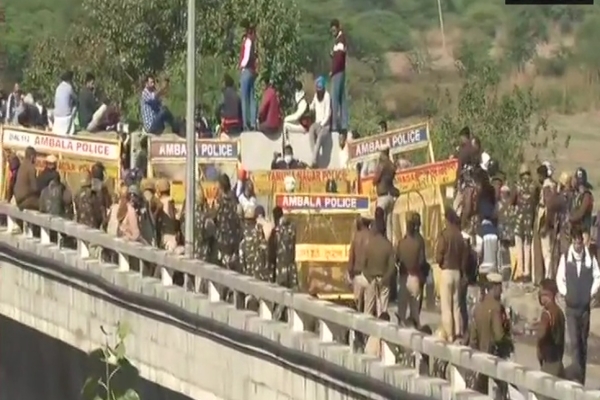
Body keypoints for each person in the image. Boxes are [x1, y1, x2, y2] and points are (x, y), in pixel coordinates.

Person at [555, 229, 600, 384]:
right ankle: (576, 378)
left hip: (585, 309)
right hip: (571, 308)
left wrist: (591, 292)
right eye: (574, 242)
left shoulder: (590, 258)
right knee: (574, 343)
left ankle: (582, 377)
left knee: (583, 342)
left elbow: (597, 276)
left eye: (579, 242)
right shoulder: (566, 257)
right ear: (572, 242)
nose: (577, 245)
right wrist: (566, 293)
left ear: (583, 241)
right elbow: (560, 278)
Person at [468, 272, 513, 396]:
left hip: (480, 358)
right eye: (500, 287)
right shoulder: (496, 308)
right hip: (494, 359)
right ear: (495, 288)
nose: (502, 291)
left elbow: (473, 337)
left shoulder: (478, 307)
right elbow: (499, 336)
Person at [436, 208, 469, 342]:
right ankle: (458, 332)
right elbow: (464, 255)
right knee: (456, 305)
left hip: (446, 271)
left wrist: (440, 261)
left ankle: (449, 334)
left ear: (446, 219)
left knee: (446, 306)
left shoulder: (444, 235)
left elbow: (438, 256)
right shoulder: (459, 235)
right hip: (457, 272)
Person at [358, 207, 396, 317]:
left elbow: (363, 264)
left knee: (368, 308)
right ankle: (382, 331)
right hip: (383, 279)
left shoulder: (369, 244)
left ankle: (367, 332)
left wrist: (370, 278)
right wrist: (384, 279)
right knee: (383, 309)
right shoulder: (388, 245)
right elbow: (392, 266)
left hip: (370, 278)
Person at [396, 212, 427, 326]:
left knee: (402, 311)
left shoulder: (401, 243)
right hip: (415, 277)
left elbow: (397, 259)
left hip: (404, 277)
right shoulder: (419, 242)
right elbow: (422, 261)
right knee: (415, 312)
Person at [536, 278, 565, 378]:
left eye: (542, 294)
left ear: (549, 295)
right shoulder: (559, 312)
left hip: (549, 365)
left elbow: (541, 334)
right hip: (558, 361)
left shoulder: (547, 314)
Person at [513, 163, 536, 283]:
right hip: (529, 218)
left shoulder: (517, 185)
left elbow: (512, 200)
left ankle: (520, 271)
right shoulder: (534, 186)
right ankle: (528, 272)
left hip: (519, 219)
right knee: (528, 245)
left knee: (519, 245)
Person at [215, 174, 242, 271]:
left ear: (221, 187)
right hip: (233, 244)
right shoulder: (235, 201)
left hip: (224, 244)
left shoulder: (223, 202)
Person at [536, 164, 558, 280]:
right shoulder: (553, 184)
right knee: (550, 250)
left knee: (547, 251)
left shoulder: (546, 187)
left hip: (546, 218)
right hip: (552, 219)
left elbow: (549, 206)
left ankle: (548, 277)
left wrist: (545, 224)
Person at [347, 213, 372, 312]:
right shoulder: (371, 236)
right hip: (368, 275)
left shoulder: (355, 237)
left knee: (357, 307)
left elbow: (351, 256)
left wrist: (350, 272)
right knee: (368, 308)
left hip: (357, 275)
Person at [373, 144, 397, 243]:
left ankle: (381, 245)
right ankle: (390, 246)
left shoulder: (381, 165)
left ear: (383, 153)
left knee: (380, 223)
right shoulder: (392, 165)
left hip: (383, 197)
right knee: (389, 225)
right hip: (391, 196)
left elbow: (375, 180)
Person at [307, 76, 332, 167]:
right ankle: (315, 158)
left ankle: (314, 161)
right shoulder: (316, 95)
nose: (319, 91)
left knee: (319, 138)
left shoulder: (327, 96)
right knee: (311, 130)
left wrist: (322, 124)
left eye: (320, 89)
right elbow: (312, 106)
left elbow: (328, 114)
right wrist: (309, 107)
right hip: (317, 123)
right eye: (318, 89)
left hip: (325, 125)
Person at [240, 204, 269, 280]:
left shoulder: (245, 233)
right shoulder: (263, 232)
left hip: (249, 274)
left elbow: (241, 255)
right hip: (260, 275)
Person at [329, 19, 348, 133]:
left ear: (337, 28)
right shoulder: (339, 40)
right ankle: (344, 124)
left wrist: (333, 70)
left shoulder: (340, 40)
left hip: (338, 72)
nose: (333, 32)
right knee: (342, 98)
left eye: (334, 30)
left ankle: (335, 125)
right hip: (341, 71)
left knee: (335, 99)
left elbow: (340, 58)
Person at [239, 20, 258, 131]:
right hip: (252, 71)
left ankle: (246, 124)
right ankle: (253, 122)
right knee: (252, 97)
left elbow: (246, 56)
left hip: (246, 70)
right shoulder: (253, 42)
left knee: (244, 98)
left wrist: (242, 66)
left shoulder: (248, 41)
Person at [570, 167, 594, 248]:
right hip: (576, 230)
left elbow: (581, 212)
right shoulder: (576, 195)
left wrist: (570, 218)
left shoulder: (587, 196)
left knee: (585, 254)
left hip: (584, 230)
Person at [14, 146, 39, 210]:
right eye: (35, 157)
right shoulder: (31, 167)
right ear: (32, 157)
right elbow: (34, 188)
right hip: (25, 200)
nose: (35, 159)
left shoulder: (22, 165)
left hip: (17, 199)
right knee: (42, 205)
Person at [53, 71, 77, 135]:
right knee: (75, 106)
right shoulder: (69, 88)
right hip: (66, 117)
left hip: (56, 116)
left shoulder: (58, 88)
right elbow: (76, 99)